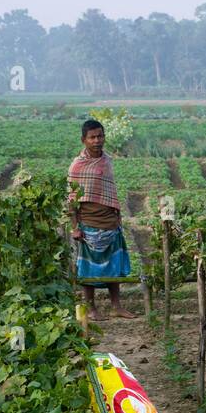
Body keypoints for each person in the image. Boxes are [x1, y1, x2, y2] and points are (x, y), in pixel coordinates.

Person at [67, 119, 138, 319]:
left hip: (110, 222)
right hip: (89, 223)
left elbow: (110, 191)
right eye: (92, 137)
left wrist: (117, 217)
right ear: (84, 140)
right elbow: (72, 200)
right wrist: (75, 227)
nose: (97, 140)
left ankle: (117, 306)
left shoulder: (106, 161)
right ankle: (91, 308)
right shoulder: (77, 166)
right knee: (88, 269)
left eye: (100, 136)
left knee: (113, 266)